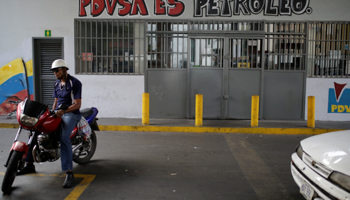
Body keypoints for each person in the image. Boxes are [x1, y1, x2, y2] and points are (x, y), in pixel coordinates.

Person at [17, 59, 82, 188]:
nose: (55, 73)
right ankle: (29, 164)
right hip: (58, 111)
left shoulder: (74, 83)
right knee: (36, 129)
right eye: (53, 71)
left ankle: (69, 172)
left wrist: (64, 110)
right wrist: (52, 112)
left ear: (64, 69)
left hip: (71, 114)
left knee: (64, 137)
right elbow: (56, 101)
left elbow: (77, 104)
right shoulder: (57, 83)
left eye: (57, 70)